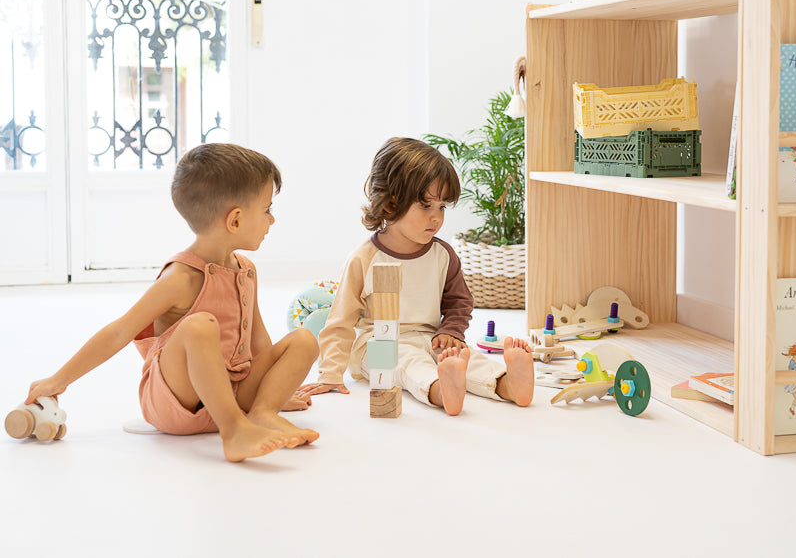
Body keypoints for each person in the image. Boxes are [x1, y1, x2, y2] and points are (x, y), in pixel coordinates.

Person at [23, 143, 320, 462]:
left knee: (303, 339)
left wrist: (272, 391)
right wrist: (57, 380)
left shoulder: (246, 270)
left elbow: (258, 342)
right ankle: (233, 431)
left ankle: (261, 414)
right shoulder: (181, 277)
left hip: (232, 392)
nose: (271, 220)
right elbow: (119, 332)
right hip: (177, 401)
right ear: (234, 220)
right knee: (199, 325)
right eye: (267, 210)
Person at [297, 137, 534, 415]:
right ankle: (443, 390)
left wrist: (451, 332)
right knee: (407, 363)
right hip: (376, 343)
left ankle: (509, 383)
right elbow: (340, 321)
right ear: (390, 204)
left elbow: (459, 303)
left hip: (431, 337)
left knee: (467, 358)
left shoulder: (443, 255)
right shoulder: (363, 258)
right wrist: (330, 373)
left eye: (442, 207)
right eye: (425, 206)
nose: (436, 218)